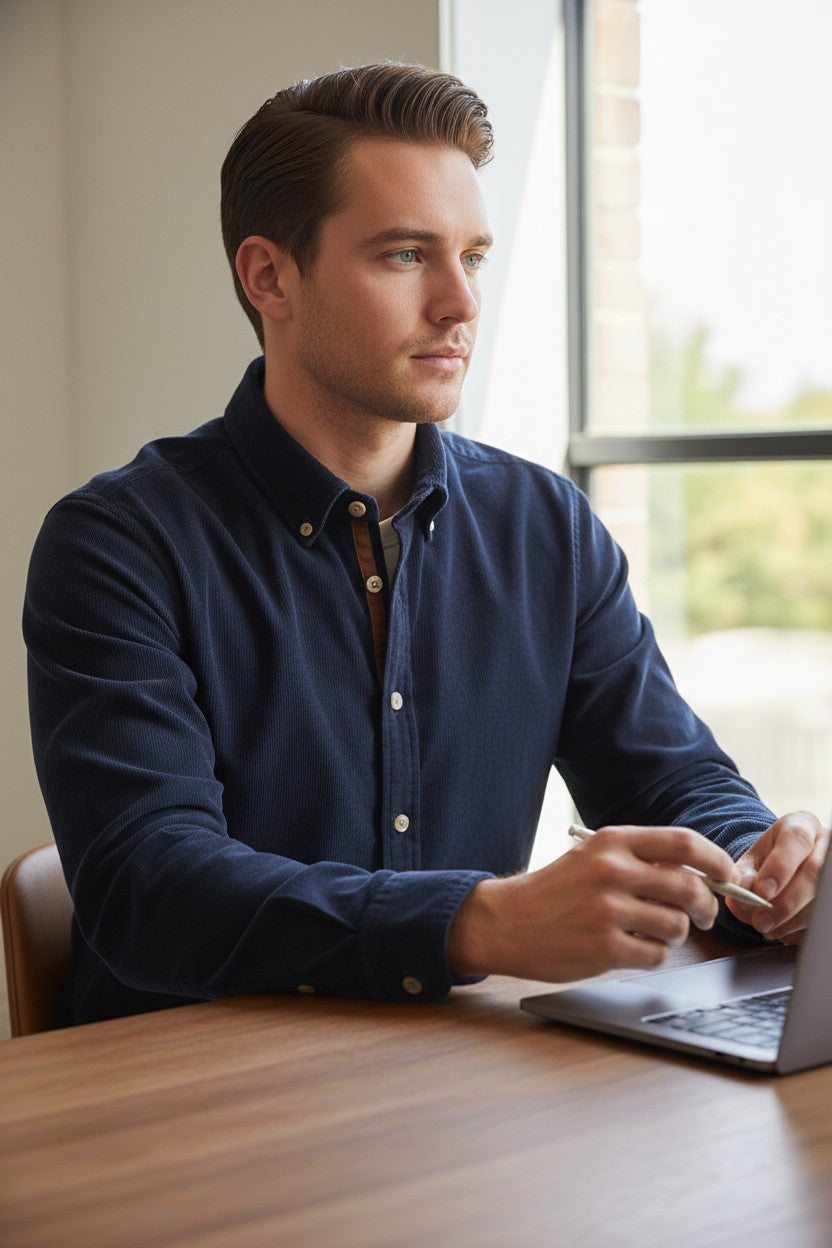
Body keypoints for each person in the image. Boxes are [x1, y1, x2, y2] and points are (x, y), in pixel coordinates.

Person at [24, 62, 827, 1026]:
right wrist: (478, 923)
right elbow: (152, 887)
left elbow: (669, 777)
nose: (460, 303)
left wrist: (763, 865)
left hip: (454, 1078)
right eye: (407, 255)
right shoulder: (117, 545)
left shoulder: (548, 527)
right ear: (269, 275)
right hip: (185, 1099)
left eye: (473, 257)